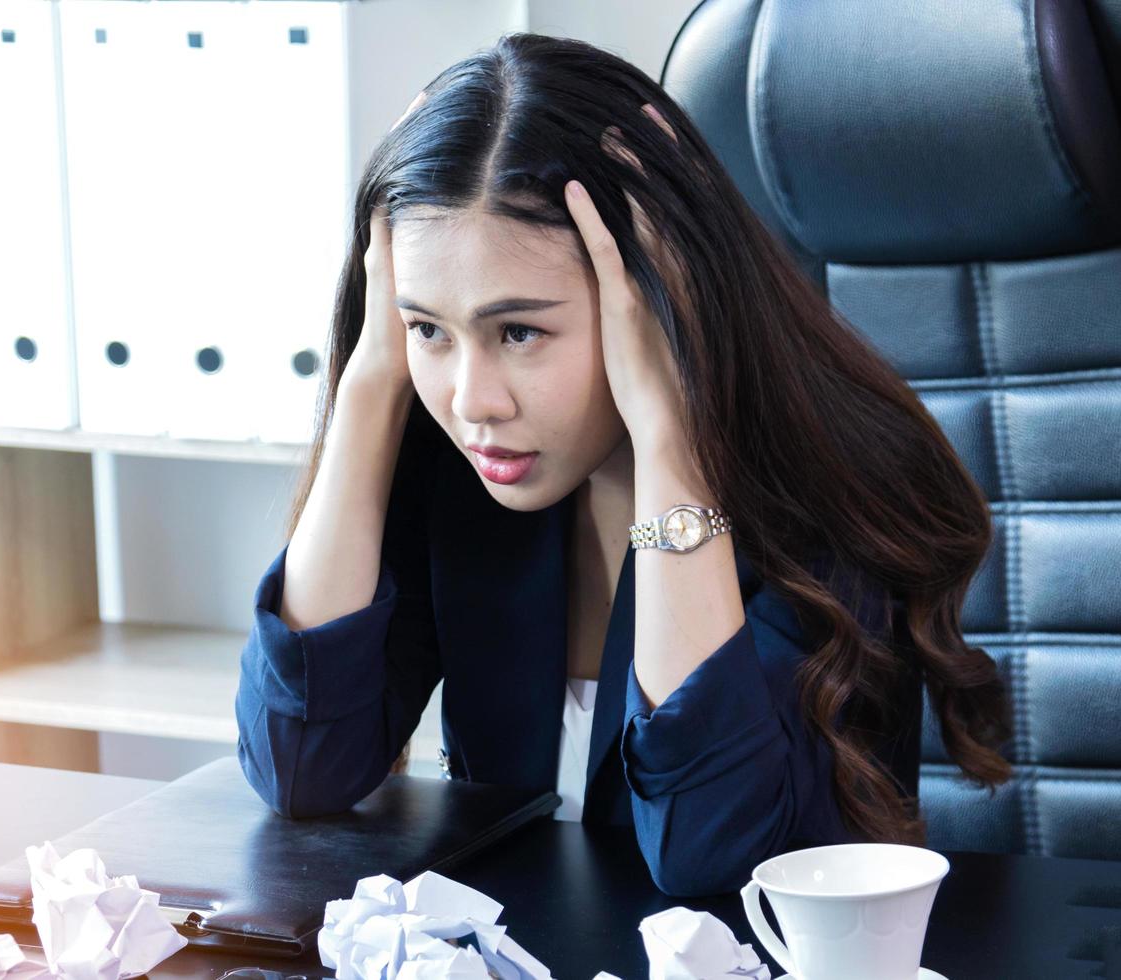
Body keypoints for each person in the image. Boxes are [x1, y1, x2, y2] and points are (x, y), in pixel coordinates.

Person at [234, 32, 1013, 897]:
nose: (472, 399)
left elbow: (713, 855)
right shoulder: (460, 470)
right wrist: (370, 383)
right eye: (430, 331)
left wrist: (670, 437)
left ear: (652, 297)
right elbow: (301, 766)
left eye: (519, 331)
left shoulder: (832, 493)